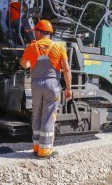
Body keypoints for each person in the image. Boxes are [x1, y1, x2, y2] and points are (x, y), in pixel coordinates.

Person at [20, 19, 72, 157]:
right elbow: (66, 69)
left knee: (36, 114)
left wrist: (33, 61)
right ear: (49, 33)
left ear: (38, 31)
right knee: (48, 116)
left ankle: (36, 147)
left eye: (35, 32)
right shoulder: (59, 47)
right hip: (51, 85)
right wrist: (68, 88)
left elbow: (24, 64)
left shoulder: (31, 46)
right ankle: (45, 150)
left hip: (36, 85)